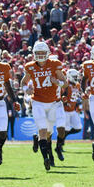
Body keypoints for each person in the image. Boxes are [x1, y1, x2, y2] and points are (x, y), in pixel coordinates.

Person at [21, 41, 67, 171]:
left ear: (47, 53)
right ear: (34, 54)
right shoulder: (30, 66)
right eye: (38, 53)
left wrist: (56, 82)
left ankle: (43, 145)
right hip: (38, 102)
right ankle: (45, 158)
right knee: (42, 130)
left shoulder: (55, 64)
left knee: (48, 133)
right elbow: (23, 82)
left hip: (53, 103)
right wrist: (26, 89)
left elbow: (65, 83)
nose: (40, 55)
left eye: (43, 52)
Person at [0, 45, 21, 165]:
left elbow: (7, 85)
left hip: (0, 102)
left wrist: (14, 100)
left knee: (3, 132)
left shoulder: (5, 67)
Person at [62, 69, 83, 143]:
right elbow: (60, 96)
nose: (76, 78)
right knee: (66, 128)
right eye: (74, 76)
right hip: (65, 110)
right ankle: (60, 145)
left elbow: (78, 97)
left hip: (73, 110)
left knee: (78, 128)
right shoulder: (65, 84)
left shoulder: (77, 85)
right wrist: (64, 101)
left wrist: (78, 105)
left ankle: (65, 136)